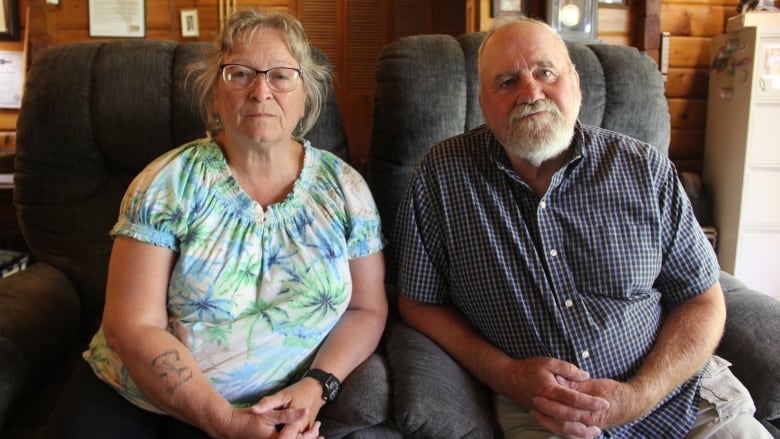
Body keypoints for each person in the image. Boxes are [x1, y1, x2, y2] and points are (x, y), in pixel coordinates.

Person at [393, 14, 772, 439]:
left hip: (680, 398)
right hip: (547, 413)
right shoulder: (441, 178)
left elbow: (703, 301)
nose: (530, 93)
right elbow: (419, 303)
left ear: (575, 81)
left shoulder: (646, 169)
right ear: (483, 102)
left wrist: (640, 394)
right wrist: (505, 374)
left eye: (545, 72)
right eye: (506, 82)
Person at [45, 7, 387, 439]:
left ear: (306, 96)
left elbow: (366, 307)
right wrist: (225, 422)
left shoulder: (346, 190)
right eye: (240, 73)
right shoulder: (166, 183)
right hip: (135, 399)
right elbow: (131, 324)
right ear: (213, 95)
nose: (261, 91)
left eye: (281, 75)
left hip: (277, 410)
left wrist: (318, 386)